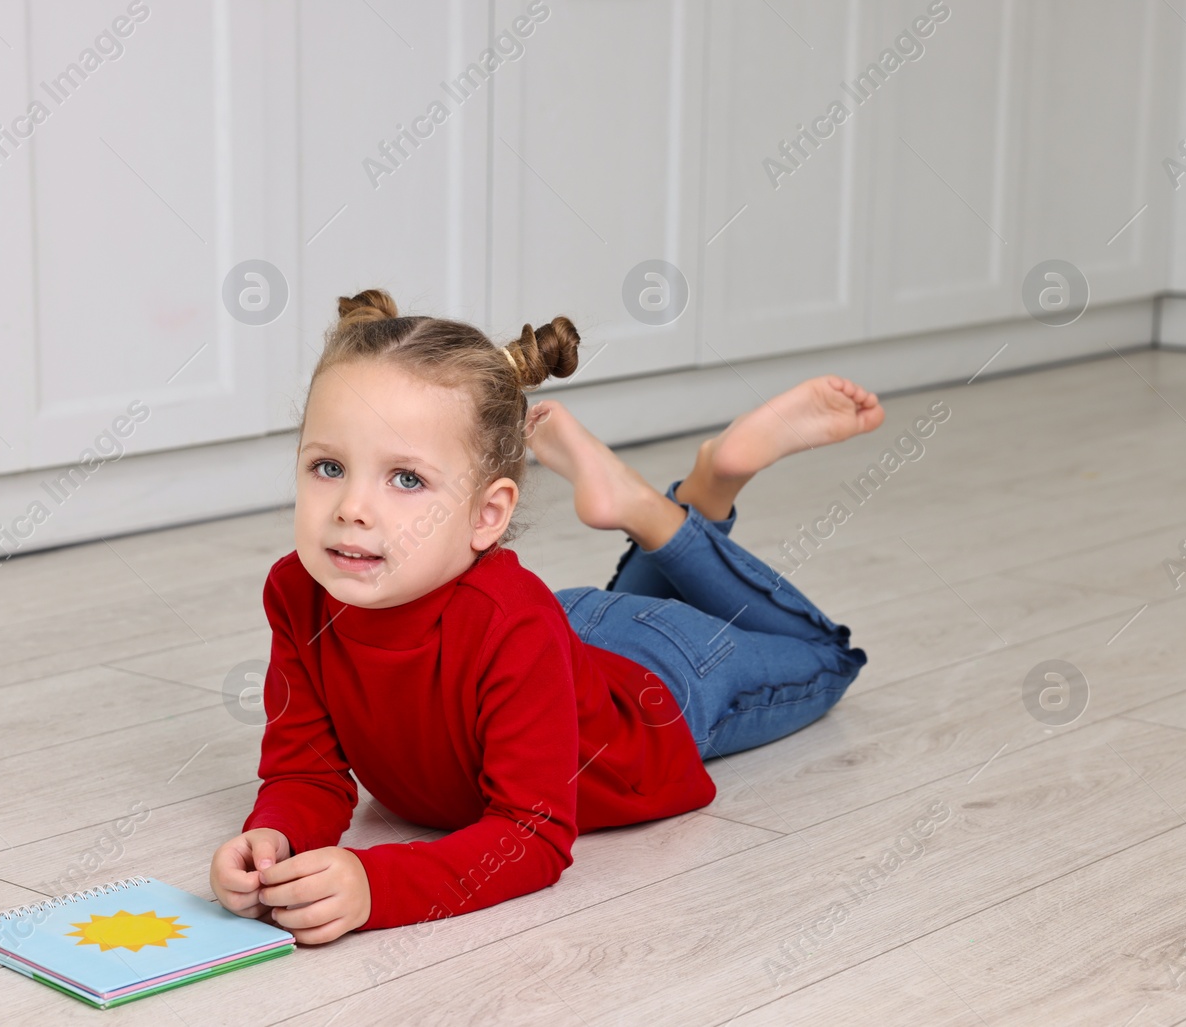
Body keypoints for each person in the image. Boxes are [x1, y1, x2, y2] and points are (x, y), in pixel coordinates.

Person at [208, 288, 881, 945]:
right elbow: (305, 771)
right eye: (328, 465)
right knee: (606, 615)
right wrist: (276, 836)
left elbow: (531, 834)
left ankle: (689, 496)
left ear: (487, 515)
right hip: (566, 637)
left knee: (827, 654)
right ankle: (683, 503)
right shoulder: (297, 591)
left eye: (405, 478)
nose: (352, 507)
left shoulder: (512, 624)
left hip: (663, 681)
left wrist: (375, 885)